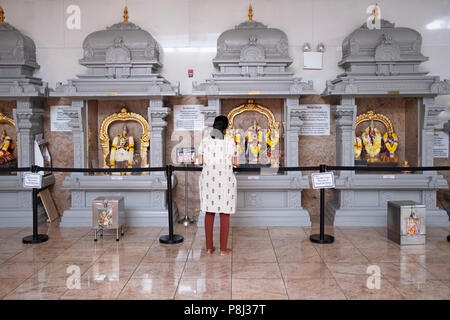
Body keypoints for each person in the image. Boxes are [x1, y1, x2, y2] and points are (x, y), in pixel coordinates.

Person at [197, 116, 239, 256]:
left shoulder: (205, 141)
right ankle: (223, 249)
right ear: (225, 129)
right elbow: (236, 163)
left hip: (208, 180)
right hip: (225, 180)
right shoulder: (230, 141)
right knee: (224, 212)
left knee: (209, 211)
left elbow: (200, 161)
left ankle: (209, 248)